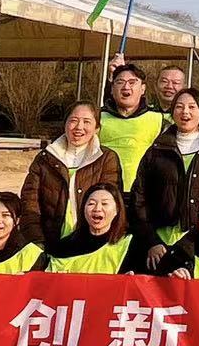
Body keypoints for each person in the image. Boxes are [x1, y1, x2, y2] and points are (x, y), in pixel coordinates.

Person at [129, 88, 199, 272]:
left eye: (192, 107)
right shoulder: (156, 151)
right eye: (179, 107)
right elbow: (139, 199)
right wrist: (151, 241)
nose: (185, 112)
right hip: (160, 246)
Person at [19, 102, 123, 244]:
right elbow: (29, 203)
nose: (79, 127)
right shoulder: (45, 158)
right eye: (73, 120)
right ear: (65, 124)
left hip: (91, 244)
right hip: (50, 242)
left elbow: (111, 204)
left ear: (97, 128)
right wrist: (37, 241)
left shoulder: (107, 159)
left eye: (87, 122)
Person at [98, 63, 166, 196]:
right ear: (111, 89)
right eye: (120, 82)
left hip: (144, 193)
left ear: (143, 89)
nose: (126, 87)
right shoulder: (96, 118)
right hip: (103, 192)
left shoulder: (159, 120)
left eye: (132, 82)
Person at [43, 184, 141, 274]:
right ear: (83, 209)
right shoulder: (63, 248)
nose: (97, 208)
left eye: (104, 203)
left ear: (117, 210)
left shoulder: (130, 244)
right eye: (91, 204)